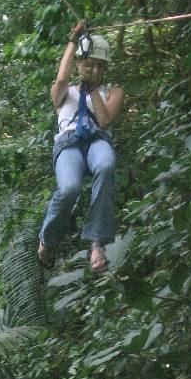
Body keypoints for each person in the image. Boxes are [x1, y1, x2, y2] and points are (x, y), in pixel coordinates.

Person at [38, 20, 124, 272]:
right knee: (70, 188)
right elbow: (61, 79)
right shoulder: (65, 93)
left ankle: (97, 242)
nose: (94, 70)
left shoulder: (113, 92)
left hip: (97, 139)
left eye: (99, 66)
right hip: (69, 142)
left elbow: (105, 120)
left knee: (106, 166)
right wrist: (73, 40)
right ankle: (48, 239)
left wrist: (94, 90)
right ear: (79, 65)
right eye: (89, 65)